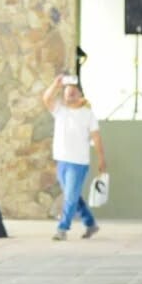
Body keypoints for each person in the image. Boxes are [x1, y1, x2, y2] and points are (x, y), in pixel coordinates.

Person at [41, 74, 106, 241]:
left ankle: (62, 229)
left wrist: (101, 159)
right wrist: (56, 84)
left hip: (78, 163)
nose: (69, 94)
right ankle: (91, 224)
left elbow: (96, 138)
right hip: (62, 161)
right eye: (66, 92)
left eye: (72, 92)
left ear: (80, 95)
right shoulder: (60, 111)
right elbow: (46, 98)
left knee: (70, 197)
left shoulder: (88, 114)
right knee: (73, 196)